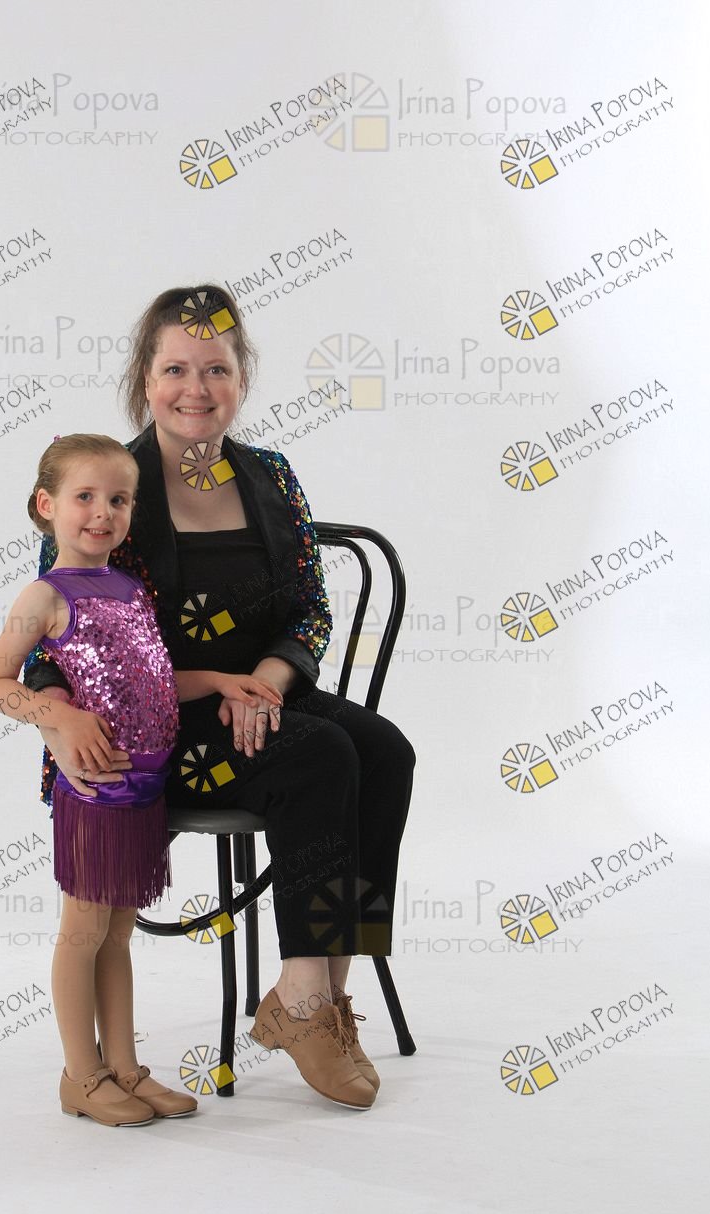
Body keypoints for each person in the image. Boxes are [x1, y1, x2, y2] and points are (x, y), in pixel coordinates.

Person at [22, 287, 416, 1112]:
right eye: (175, 369)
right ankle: (303, 998)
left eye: (216, 369)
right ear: (145, 378)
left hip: (261, 695)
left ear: (242, 379)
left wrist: (269, 681)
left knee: (385, 751)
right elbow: (53, 633)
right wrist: (57, 719)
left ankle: (320, 988)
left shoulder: (270, 475)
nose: (195, 389)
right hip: (157, 727)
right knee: (320, 754)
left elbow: (310, 608)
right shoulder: (111, 484)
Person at [0, 431, 283, 1126]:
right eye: (85, 497)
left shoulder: (129, 588)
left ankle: (124, 1068)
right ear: (46, 505)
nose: (102, 513)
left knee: (116, 936)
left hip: (144, 788)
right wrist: (60, 716)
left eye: (118, 500)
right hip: (95, 789)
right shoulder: (45, 594)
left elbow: (153, 680)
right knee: (83, 932)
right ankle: (79, 1075)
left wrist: (218, 679)